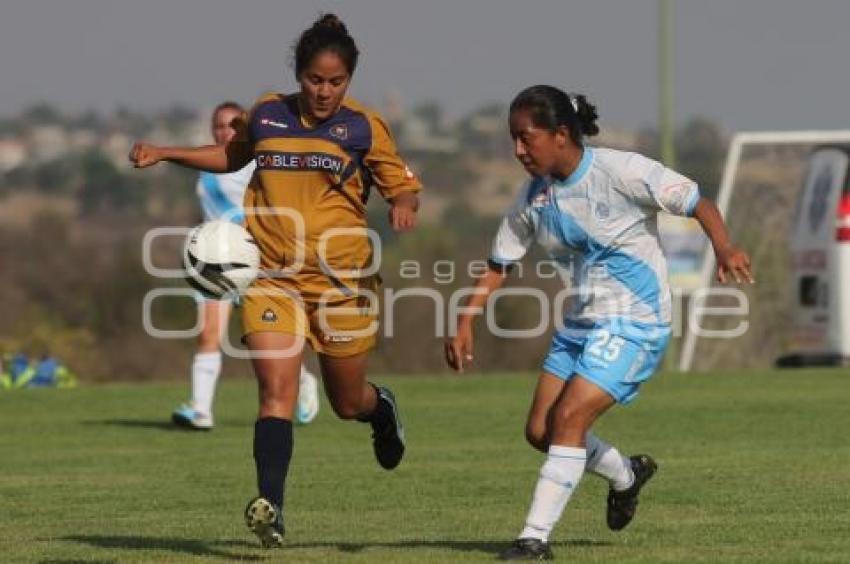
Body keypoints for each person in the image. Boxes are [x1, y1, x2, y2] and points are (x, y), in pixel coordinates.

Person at [130, 14, 421, 548]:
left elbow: (401, 184)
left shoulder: (363, 127)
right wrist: (166, 152)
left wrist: (403, 204)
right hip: (272, 277)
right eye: (314, 79)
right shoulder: (267, 113)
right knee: (275, 392)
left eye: (336, 82)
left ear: (349, 80)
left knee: (346, 402)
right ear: (299, 73)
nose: (324, 91)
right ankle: (273, 508)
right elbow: (229, 156)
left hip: (342, 281)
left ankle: (382, 413)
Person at [445, 85, 753, 560]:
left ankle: (533, 540)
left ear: (561, 134)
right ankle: (626, 474)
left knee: (568, 418)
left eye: (526, 138)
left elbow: (698, 202)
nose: (517, 150)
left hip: (636, 324)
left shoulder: (621, 171)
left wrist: (724, 246)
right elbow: (499, 263)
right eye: (514, 139)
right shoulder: (533, 197)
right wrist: (466, 320)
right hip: (580, 325)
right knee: (540, 432)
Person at [169, 101, 320, 431]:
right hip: (213, 264)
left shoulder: (254, 162)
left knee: (261, 341)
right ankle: (200, 410)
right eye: (218, 125)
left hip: (250, 262)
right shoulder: (208, 163)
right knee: (208, 334)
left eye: (230, 125)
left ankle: (304, 380)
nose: (224, 131)